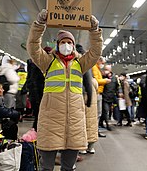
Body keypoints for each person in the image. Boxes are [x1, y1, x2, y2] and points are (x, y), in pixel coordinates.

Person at [26, 9, 103, 171]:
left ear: (73, 45)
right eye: (63, 42)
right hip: (50, 121)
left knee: (68, 168)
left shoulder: (81, 63)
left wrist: (95, 30)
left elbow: (96, 51)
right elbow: (33, 46)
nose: (66, 45)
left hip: (74, 123)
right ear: (57, 44)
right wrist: (39, 25)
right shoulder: (47, 62)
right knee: (46, 168)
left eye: (69, 42)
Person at [76, 44, 98, 154]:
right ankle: (91, 146)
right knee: (92, 122)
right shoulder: (89, 63)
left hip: (81, 96)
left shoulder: (77, 63)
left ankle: (82, 147)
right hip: (91, 97)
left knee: (81, 122)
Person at [25, 46, 52, 131]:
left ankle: (36, 133)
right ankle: (36, 134)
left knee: (39, 116)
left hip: (37, 94)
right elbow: (34, 81)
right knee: (39, 116)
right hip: (38, 94)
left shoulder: (34, 63)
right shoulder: (37, 64)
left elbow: (30, 80)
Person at [92, 57, 111, 137]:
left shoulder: (96, 68)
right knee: (96, 114)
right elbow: (96, 81)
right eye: (103, 63)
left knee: (97, 114)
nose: (103, 65)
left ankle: (95, 131)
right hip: (97, 92)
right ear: (99, 61)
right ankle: (94, 132)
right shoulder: (95, 68)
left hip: (98, 92)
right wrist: (105, 81)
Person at [98, 64, 119, 131]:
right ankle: (107, 125)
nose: (105, 71)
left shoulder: (115, 78)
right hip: (104, 97)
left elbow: (117, 87)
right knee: (106, 111)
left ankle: (101, 122)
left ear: (110, 70)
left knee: (107, 111)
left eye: (107, 69)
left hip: (111, 98)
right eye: (105, 69)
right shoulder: (103, 77)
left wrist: (117, 94)